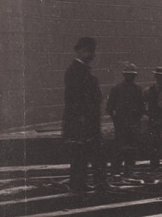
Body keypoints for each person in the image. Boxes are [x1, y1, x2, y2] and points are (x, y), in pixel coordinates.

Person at [62, 36, 108, 196]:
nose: (90, 55)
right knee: (82, 152)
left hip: (88, 120)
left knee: (86, 152)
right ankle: (84, 184)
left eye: (92, 51)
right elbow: (73, 98)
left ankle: (83, 183)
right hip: (81, 121)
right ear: (79, 51)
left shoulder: (83, 71)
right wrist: (80, 117)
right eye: (86, 51)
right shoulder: (74, 71)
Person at [105, 61, 145, 182]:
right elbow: (109, 107)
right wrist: (116, 120)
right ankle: (115, 171)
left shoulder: (138, 89)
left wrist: (137, 119)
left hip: (133, 124)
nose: (130, 76)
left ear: (135, 76)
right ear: (124, 75)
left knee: (131, 148)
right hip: (121, 124)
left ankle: (129, 171)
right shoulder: (117, 89)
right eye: (128, 74)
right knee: (119, 148)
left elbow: (142, 107)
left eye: (132, 74)